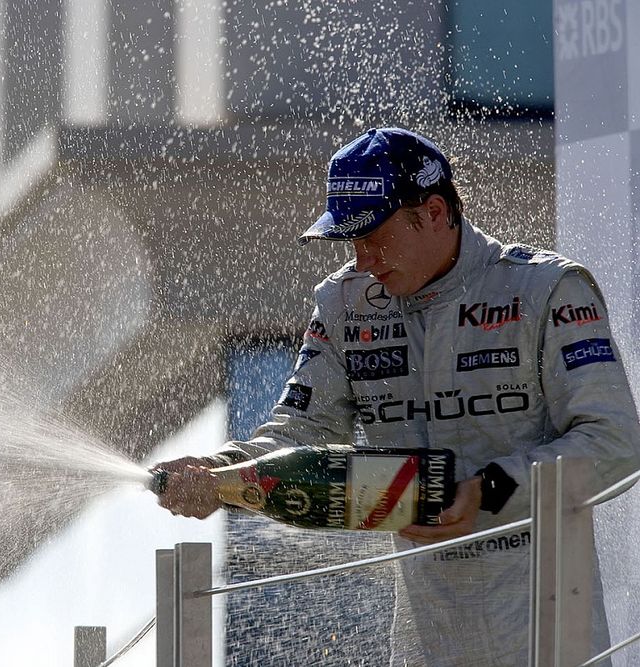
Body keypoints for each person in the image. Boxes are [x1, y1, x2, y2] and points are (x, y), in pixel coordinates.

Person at [155, 127, 640, 665]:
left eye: (374, 237)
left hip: (551, 634)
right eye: (351, 241)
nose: (362, 260)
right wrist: (216, 472)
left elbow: (616, 442)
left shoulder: (547, 290)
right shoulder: (345, 304)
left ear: (434, 212)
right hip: (425, 641)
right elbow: (297, 437)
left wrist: (487, 489)